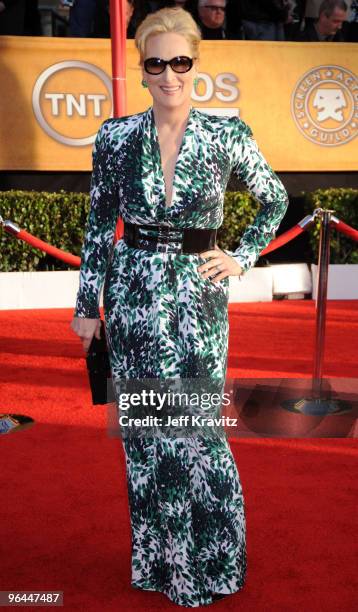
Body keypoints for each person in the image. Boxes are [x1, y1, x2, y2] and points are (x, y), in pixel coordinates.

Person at [70, 6, 289, 607]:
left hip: (198, 294)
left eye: (181, 62)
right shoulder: (115, 137)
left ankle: (213, 564)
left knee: (195, 432)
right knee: (146, 433)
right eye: (157, 63)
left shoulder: (225, 134)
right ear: (142, 71)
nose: (169, 74)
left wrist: (241, 256)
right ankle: (161, 563)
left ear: (196, 65)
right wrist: (88, 304)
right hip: (135, 290)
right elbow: (97, 228)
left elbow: (274, 198)